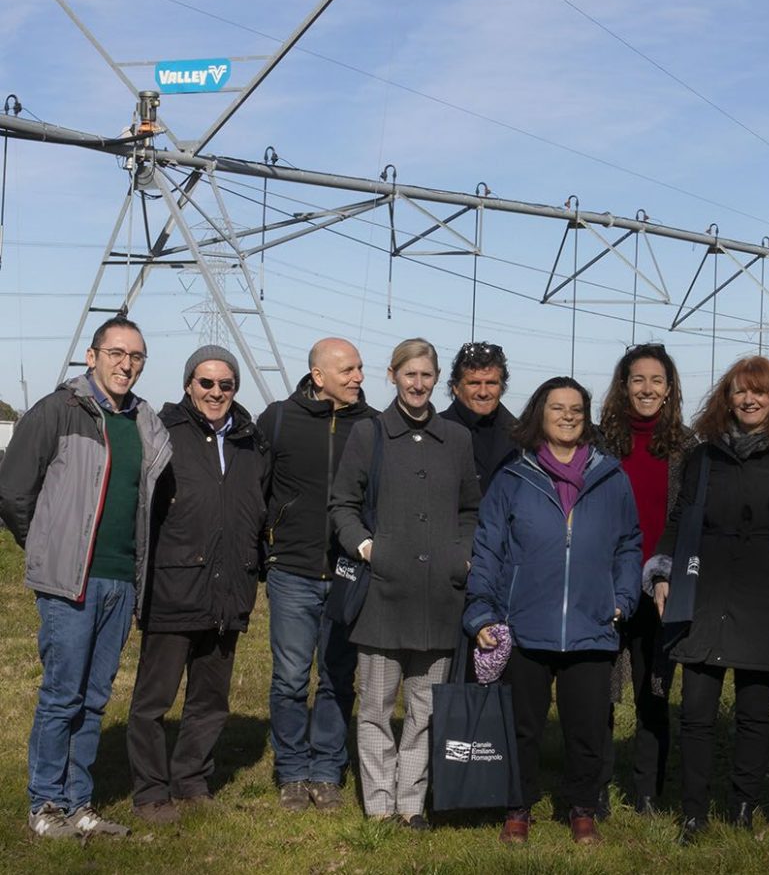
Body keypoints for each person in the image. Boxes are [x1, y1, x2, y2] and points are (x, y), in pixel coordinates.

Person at [0, 316, 171, 839]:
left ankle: (80, 804)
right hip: (70, 583)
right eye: (117, 353)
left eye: (137, 356)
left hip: (122, 581)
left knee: (96, 697)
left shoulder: (144, 422)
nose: (127, 364)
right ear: (92, 357)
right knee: (62, 695)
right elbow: (12, 491)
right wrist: (47, 546)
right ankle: (45, 805)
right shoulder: (59, 411)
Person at [463, 376, 642, 846]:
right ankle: (517, 808)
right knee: (522, 727)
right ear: (539, 414)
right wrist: (481, 612)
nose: (567, 416)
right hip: (524, 624)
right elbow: (488, 550)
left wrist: (622, 599)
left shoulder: (611, 476)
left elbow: (629, 544)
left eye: (576, 409)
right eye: (557, 408)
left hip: (592, 623)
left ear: (587, 418)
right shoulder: (513, 476)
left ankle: (582, 808)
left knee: (587, 729)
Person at [646, 355, 769, 843]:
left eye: (760, 392)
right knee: (696, 711)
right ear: (726, 398)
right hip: (705, 589)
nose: (749, 400)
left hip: (762, 594)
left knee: (754, 713)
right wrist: (663, 571)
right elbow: (679, 519)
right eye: (739, 392)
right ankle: (693, 812)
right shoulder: (704, 456)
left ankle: (741, 808)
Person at [330, 338, 480, 828]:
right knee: (375, 704)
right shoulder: (369, 434)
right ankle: (378, 803)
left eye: (426, 376)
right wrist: (368, 549)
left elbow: (469, 510)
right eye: (409, 374)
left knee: (424, 708)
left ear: (438, 380)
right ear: (392, 375)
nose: (418, 384)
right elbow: (342, 505)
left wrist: (463, 555)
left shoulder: (456, 439)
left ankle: (411, 803)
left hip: (440, 595)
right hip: (383, 592)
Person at [126, 346, 270, 823]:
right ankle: (149, 790)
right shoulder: (163, 433)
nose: (215, 392)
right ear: (189, 384)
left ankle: (190, 779)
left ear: (235, 389)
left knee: (211, 700)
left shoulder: (251, 441)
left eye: (225, 384)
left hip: (229, 589)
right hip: (173, 586)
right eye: (205, 383)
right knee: (153, 701)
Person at [256, 337, 378, 811]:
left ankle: (327, 771)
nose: (358, 378)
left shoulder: (371, 426)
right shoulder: (279, 420)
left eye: (360, 368)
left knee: (338, 676)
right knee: (289, 678)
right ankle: (291, 771)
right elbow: (258, 490)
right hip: (291, 570)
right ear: (317, 375)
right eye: (347, 369)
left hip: (349, 573)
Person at [596, 342, 695, 814]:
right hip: (605, 587)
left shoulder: (687, 446)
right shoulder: (598, 444)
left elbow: (689, 520)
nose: (648, 389)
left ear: (670, 389)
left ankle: (647, 793)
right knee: (599, 693)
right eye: (639, 380)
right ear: (623, 385)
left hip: (661, 589)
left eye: (657, 381)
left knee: (653, 693)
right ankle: (593, 787)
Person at [439, 340, 518, 494]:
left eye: (491, 383)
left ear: (502, 387)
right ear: (455, 387)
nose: (483, 392)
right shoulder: (434, 432)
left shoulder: (521, 437)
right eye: (474, 383)